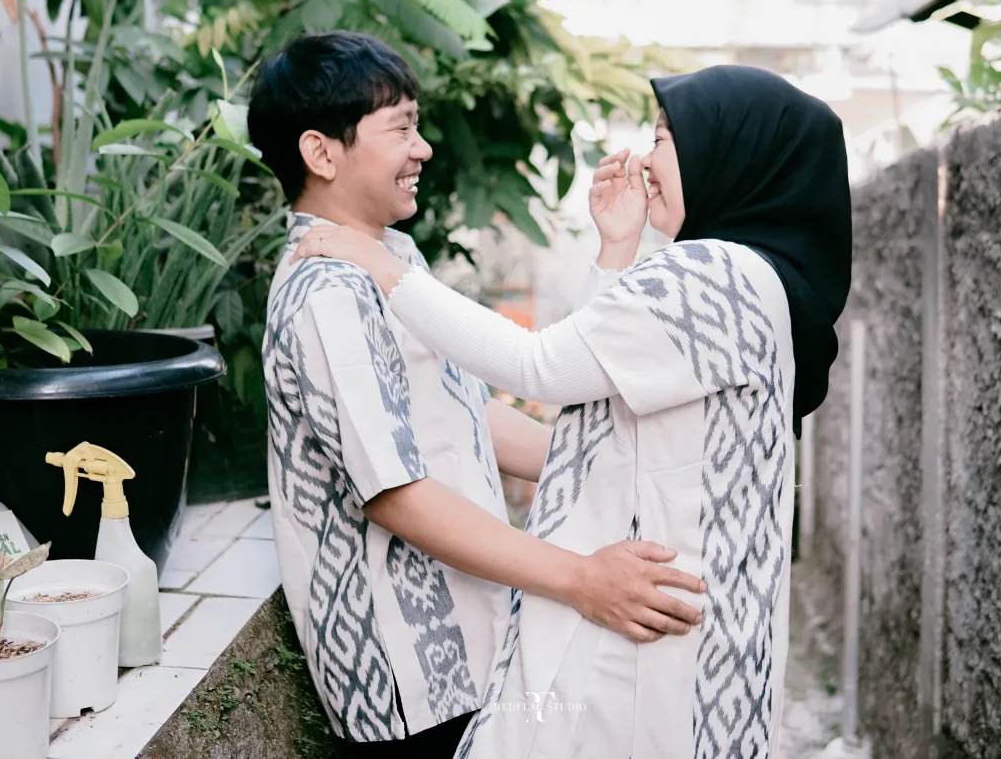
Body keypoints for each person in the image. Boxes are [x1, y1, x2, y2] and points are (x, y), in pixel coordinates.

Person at [291, 64, 853, 759]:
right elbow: (602, 406)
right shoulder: (750, 282)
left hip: (650, 628)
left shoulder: (711, 275)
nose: (645, 160)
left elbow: (540, 365)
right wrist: (616, 248)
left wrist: (384, 269)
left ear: (730, 154)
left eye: (665, 139)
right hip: (690, 631)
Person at [251, 32, 708, 759]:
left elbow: (463, 412)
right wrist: (582, 579)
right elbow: (395, 494)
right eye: (401, 127)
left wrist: (621, 464)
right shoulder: (327, 288)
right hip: (412, 685)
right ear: (322, 153)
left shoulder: (387, 257)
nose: (423, 148)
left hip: (468, 653)